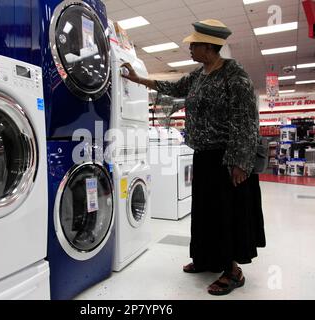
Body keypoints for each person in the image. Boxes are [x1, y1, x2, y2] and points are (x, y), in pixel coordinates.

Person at [121, 19, 266, 296]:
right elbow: (174, 88)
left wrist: (241, 163)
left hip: (227, 158)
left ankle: (232, 270)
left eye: (194, 44)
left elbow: (247, 122)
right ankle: (206, 259)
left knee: (226, 214)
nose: (189, 48)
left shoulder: (235, 76)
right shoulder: (200, 74)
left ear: (209, 47)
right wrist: (138, 79)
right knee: (206, 212)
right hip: (203, 156)